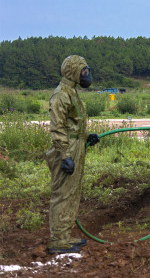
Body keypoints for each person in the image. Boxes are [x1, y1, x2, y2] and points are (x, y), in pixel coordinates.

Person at [45, 55, 100, 254]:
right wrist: (64, 155)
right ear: (73, 71)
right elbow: (58, 128)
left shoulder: (71, 92)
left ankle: (64, 236)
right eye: (84, 71)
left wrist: (85, 137)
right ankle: (58, 241)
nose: (87, 75)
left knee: (72, 193)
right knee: (63, 194)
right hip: (66, 149)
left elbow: (72, 124)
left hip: (75, 145)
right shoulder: (61, 95)